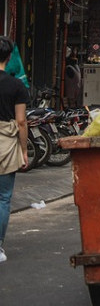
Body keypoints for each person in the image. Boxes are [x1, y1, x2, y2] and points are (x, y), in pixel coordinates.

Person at [1, 36, 31, 265]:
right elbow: (21, 122)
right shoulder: (16, 86)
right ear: (9, 58)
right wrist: (24, 151)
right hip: (5, 144)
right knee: (3, 198)